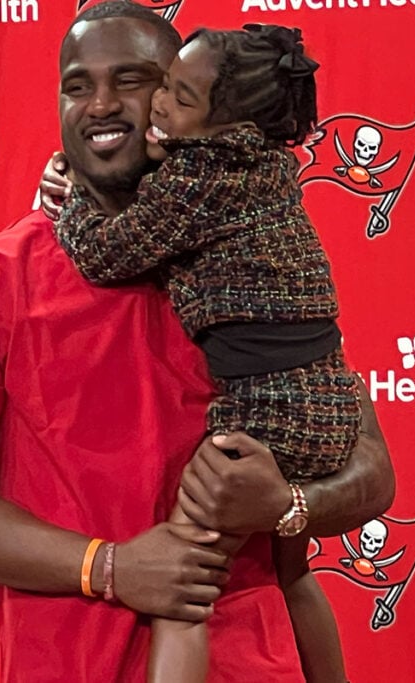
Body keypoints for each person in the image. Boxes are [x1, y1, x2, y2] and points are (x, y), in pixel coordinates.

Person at [0, 2, 394, 682]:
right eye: (77, 85)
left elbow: (370, 471)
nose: (101, 104)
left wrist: (287, 505)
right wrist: (110, 567)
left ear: (189, 106)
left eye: (131, 80)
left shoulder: (249, 262)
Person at [49, 23, 355, 682]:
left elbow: (106, 253)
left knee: (180, 579)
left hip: (268, 411)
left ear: (223, 124)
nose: (158, 105)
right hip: (322, 399)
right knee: (292, 571)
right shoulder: (264, 160)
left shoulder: (195, 179)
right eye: (164, 87)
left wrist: (68, 201)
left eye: (177, 96)